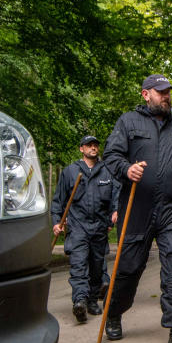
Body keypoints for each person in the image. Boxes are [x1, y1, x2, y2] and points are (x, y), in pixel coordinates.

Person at [102, 74, 172, 343]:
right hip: (138, 207)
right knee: (129, 268)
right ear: (146, 94)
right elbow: (111, 155)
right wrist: (126, 169)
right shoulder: (128, 122)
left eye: (168, 92)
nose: (166, 96)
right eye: (160, 92)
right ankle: (114, 312)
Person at [51, 135, 116, 323]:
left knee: (97, 268)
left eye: (95, 145)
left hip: (99, 227)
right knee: (79, 265)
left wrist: (114, 213)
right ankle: (79, 301)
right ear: (82, 149)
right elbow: (59, 200)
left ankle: (92, 301)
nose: (93, 148)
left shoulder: (106, 172)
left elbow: (115, 197)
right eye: (89, 145)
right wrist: (57, 221)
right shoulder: (70, 172)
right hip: (77, 226)